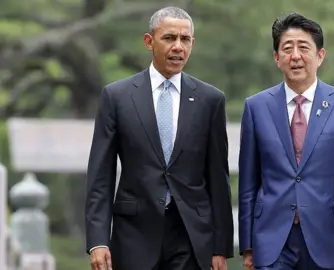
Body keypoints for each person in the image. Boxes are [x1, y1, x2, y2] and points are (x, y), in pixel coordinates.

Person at [85, 6, 234, 270]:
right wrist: (98, 241)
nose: (178, 47)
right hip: (134, 235)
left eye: (185, 39)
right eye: (169, 38)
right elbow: (100, 176)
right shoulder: (117, 97)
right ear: (149, 41)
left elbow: (217, 177)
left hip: (190, 236)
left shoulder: (210, 100)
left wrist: (220, 246)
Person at [238, 12, 334, 270]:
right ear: (276, 58)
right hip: (272, 240)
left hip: (330, 236)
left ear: (320, 56)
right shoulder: (256, 107)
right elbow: (249, 181)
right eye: (287, 48)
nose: (296, 56)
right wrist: (247, 244)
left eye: (304, 48)